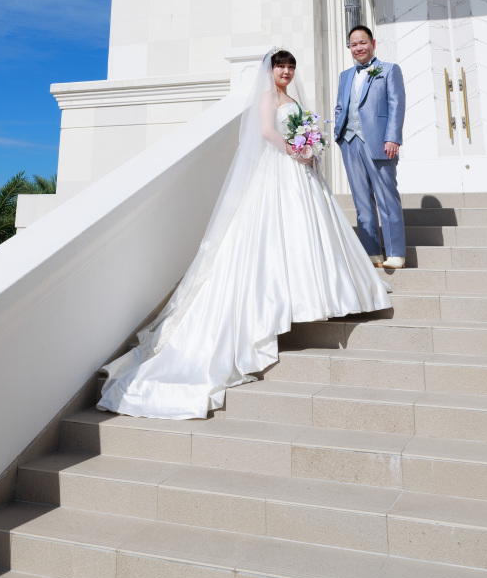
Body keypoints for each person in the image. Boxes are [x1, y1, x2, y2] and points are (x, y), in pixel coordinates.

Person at [98, 48, 391, 420]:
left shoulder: (295, 100)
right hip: (278, 171)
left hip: (301, 172)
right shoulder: (267, 98)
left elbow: (302, 132)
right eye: (280, 66)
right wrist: (295, 149)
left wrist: (310, 148)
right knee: (273, 239)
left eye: (290, 66)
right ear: (269, 70)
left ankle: (321, 296)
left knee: (309, 235)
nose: (285, 71)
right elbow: (267, 132)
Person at [334, 25, 406, 269]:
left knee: (386, 197)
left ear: (373, 43)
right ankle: (371, 253)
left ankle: (396, 252)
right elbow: (341, 106)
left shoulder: (389, 70)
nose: (358, 48)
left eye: (362, 43)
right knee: (361, 199)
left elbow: (397, 105)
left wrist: (393, 137)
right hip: (350, 141)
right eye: (353, 45)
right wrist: (339, 134)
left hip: (380, 142)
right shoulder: (345, 75)